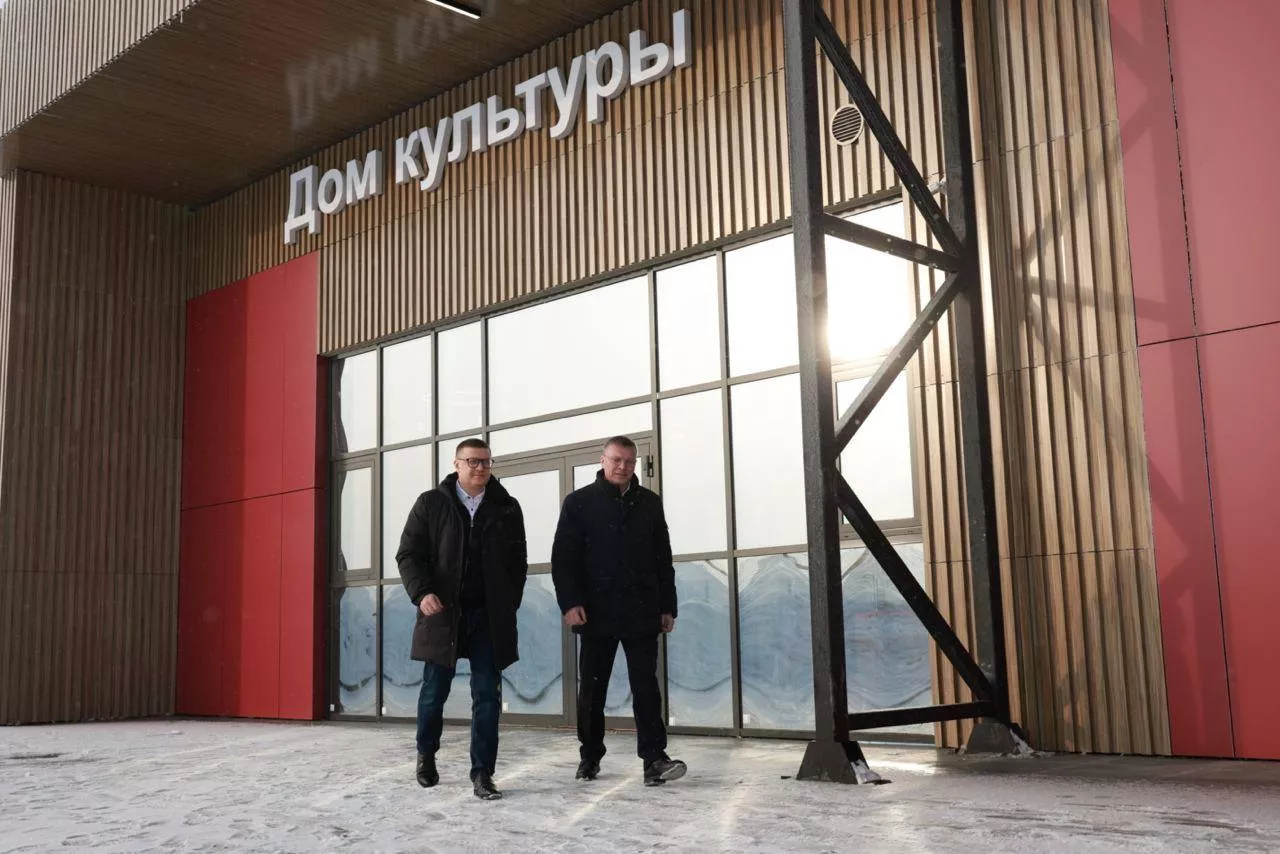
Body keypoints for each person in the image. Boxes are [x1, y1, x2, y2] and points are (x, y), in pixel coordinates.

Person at [551, 435, 686, 787]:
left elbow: (663, 558)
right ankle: (590, 755)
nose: (623, 467)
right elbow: (563, 559)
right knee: (592, 691)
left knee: (646, 689)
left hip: (642, 611)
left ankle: (654, 759)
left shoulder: (649, 503)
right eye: (616, 460)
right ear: (602, 460)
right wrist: (570, 603)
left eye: (629, 461)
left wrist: (667, 606)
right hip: (596, 613)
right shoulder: (579, 503)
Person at [396, 438, 527, 801]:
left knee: (487, 695)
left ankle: (483, 773)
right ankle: (426, 756)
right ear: (456, 464)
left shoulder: (506, 507)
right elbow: (408, 554)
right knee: (434, 692)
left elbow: (518, 563)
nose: (480, 468)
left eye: (485, 462)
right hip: (442, 613)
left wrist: (508, 604)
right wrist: (422, 593)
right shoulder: (431, 503)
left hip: (488, 617)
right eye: (472, 461)